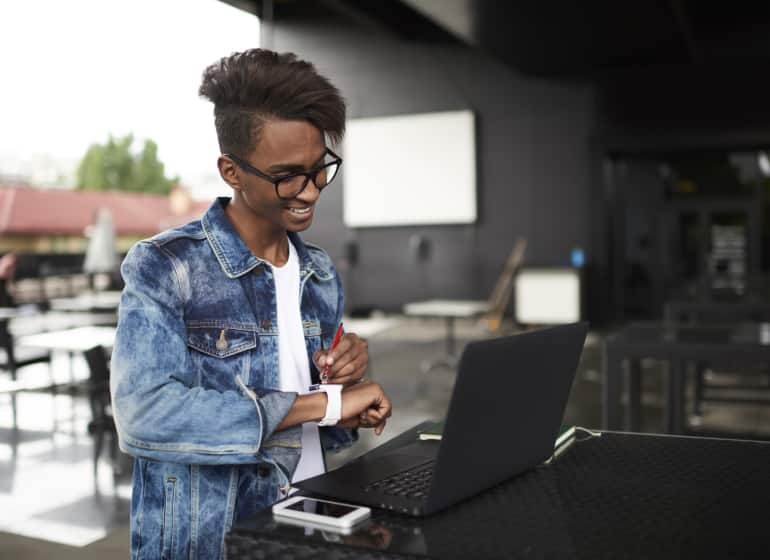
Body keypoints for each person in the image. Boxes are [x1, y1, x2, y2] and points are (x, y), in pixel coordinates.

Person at [111, 48, 393, 560]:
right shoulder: (166, 266)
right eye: (288, 175)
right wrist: (325, 403)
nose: (310, 191)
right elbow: (144, 414)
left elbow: (321, 436)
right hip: (215, 543)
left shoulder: (319, 273)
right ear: (231, 171)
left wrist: (343, 386)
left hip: (313, 526)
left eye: (320, 169)